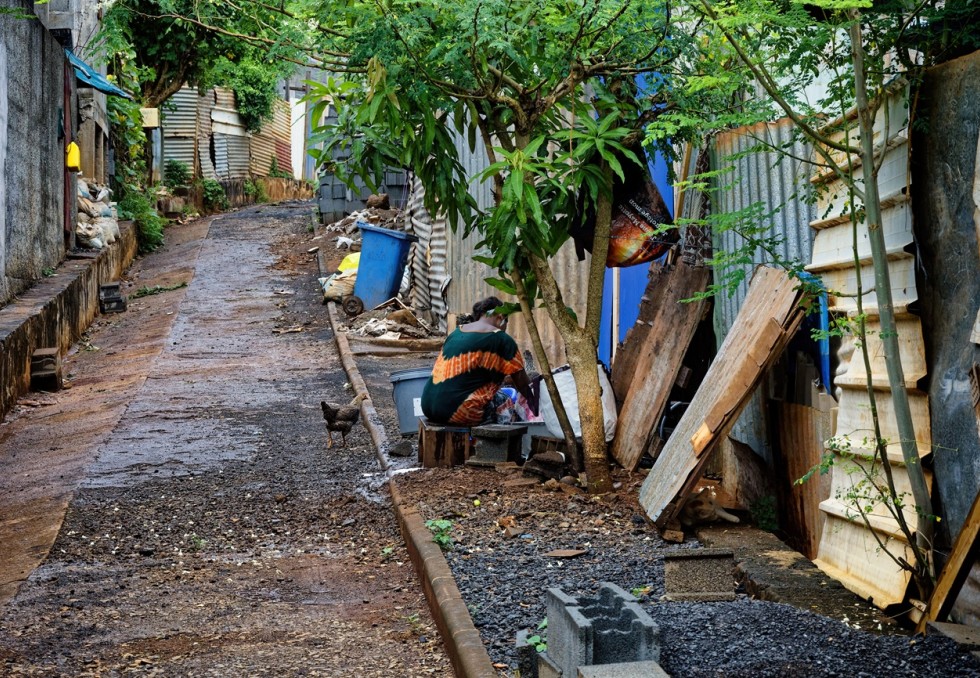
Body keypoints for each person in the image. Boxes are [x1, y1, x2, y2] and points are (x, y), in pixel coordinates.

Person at [421, 297, 538, 426]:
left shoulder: (455, 333)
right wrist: (537, 406)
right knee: (506, 403)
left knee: (494, 394)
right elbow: (523, 384)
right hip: (458, 411)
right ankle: (501, 445)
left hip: (428, 406)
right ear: (500, 317)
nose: (505, 327)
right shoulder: (501, 339)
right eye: (506, 322)